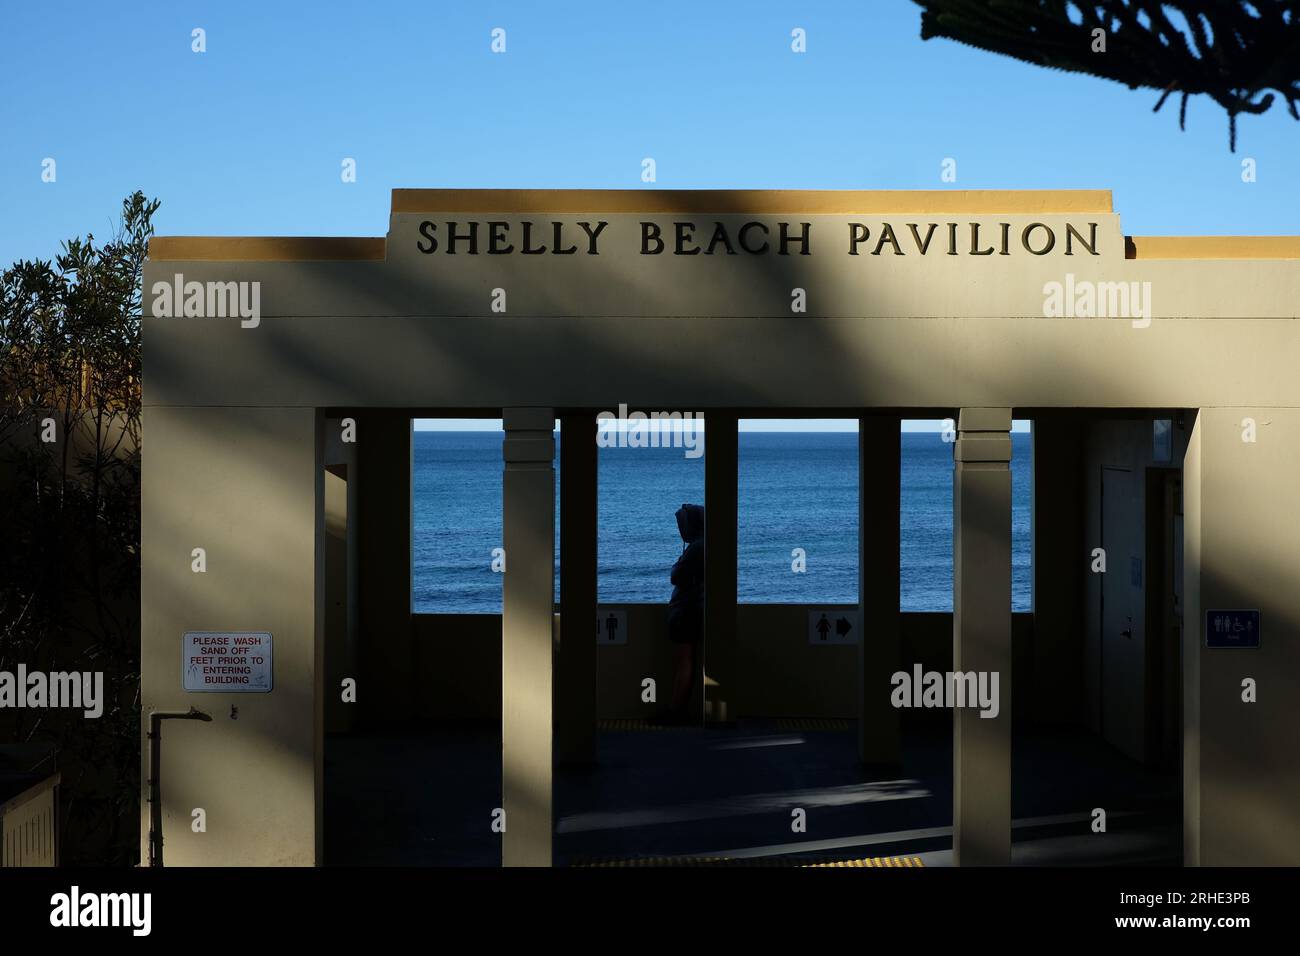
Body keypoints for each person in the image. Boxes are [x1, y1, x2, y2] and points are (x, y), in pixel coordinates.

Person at [663, 503, 705, 724]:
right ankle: (677, 709)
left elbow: (676, 576)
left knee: (685, 661)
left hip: (687, 609)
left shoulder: (697, 548)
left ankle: (677, 711)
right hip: (690, 608)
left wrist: (677, 567)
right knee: (686, 661)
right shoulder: (701, 546)